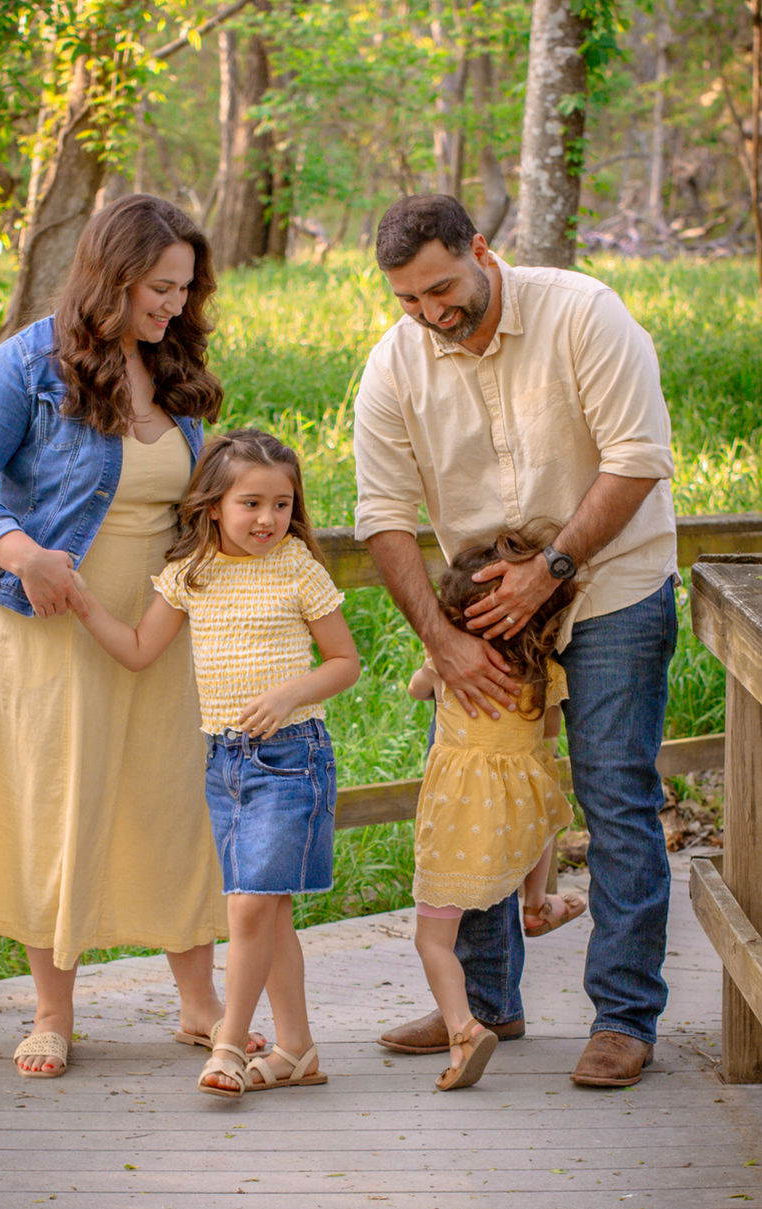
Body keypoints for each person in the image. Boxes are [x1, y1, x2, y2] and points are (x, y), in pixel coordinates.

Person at [0, 194, 265, 1079]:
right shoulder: (27, 361)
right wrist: (22, 555)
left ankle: (200, 1003)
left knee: (172, 804)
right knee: (61, 804)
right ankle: (52, 1012)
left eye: (184, 289)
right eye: (159, 287)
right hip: (48, 626)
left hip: (159, 626)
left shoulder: (171, 368)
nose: (173, 305)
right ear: (113, 273)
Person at [354, 193, 678, 1088]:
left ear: (482, 249)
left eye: (441, 289)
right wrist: (441, 641)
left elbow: (636, 457)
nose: (429, 314)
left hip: (610, 582)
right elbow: (380, 515)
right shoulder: (393, 365)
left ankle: (622, 1015)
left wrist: (555, 570)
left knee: (614, 796)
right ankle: (488, 1000)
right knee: (474, 794)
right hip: (483, 614)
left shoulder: (584, 313)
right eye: (408, 300)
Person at [70, 428, 360, 1100]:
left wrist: (291, 691)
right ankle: (296, 1048)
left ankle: (228, 1042)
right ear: (212, 507)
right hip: (225, 763)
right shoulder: (189, 573)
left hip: (292, 759)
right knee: (268, 911)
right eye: (251, 503)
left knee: (251, 908)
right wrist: (84, 604)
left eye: (282, 504)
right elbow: (141, 648)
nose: (267, 519)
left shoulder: (296, 566)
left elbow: (344, 662)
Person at [406, 522, 585, 1091]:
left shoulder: (447, 670)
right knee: (539, 807)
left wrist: (435, 657)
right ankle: (537, 902)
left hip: (461, 818)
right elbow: (546, 739)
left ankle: (464, 1029)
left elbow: (415, 689)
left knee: (433, 939)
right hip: (520, 815)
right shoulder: (544, 673)